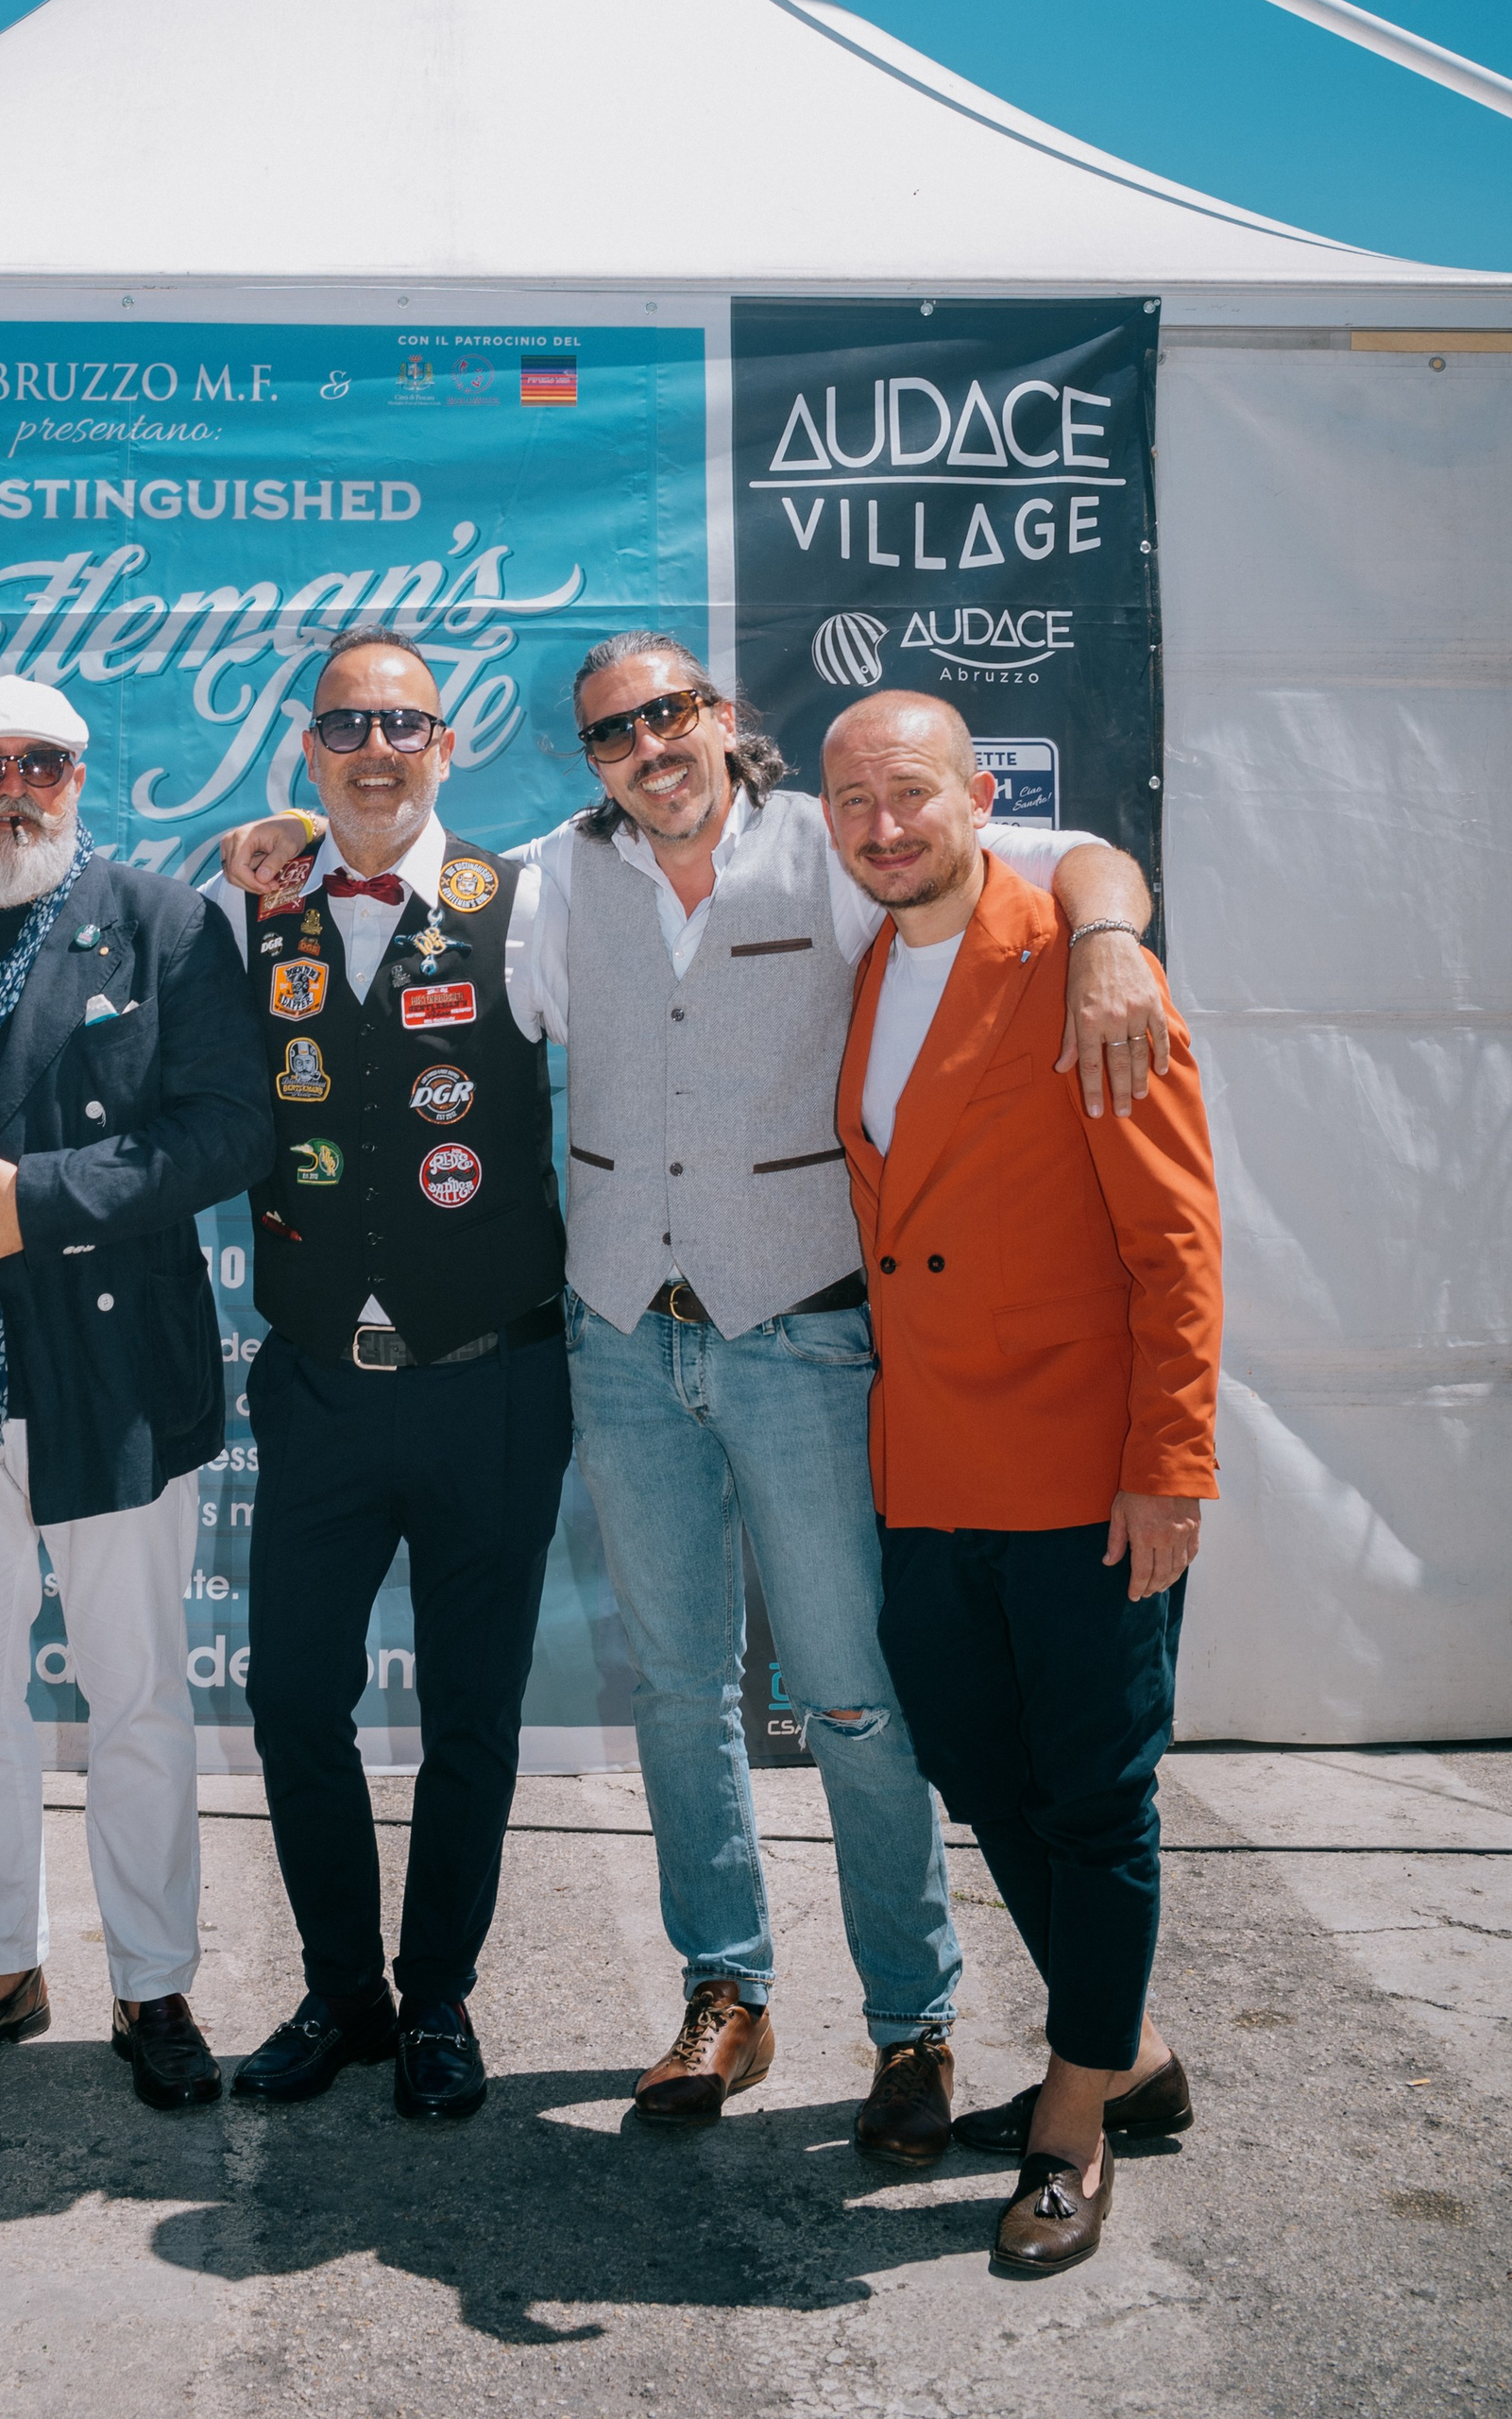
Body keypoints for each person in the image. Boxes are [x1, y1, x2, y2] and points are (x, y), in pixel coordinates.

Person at [217, 628, 1169, 2157]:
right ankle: (726, 1991)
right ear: (583, 760)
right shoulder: (544, 877)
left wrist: (1114, 931)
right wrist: (272, 838)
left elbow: (1063, 858)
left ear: (725, 720)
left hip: (797, 1334)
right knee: (677, 1694)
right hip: (616, 1341)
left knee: (854, 1701)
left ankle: (910, 2022)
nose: (647, 746)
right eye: (611, 732)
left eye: (669, 714)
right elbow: (370, 859)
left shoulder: (844, 844)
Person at [824, 690, 1219, 2278]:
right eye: (852, 800)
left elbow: (1176, 1244)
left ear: (983, 797)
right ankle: (1124, 2048)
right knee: (984, 1773)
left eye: (911, 792)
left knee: (1095, 1800)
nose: (882, 825)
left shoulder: (1082, 963)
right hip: (927, 1469)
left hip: (1079, 1467)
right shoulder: (863, 967)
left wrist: (1171, 1470)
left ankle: (1074, 2121)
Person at [0, 675, 272, 2113]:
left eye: (41, 763)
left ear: (83, 777)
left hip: (110, 1378)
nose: (11, 787)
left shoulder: (165, 922)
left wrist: (37, 1201)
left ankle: (155, 1985)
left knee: (140, 1697)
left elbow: (228, 1130)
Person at [200, 624, 571, 2124]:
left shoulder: (529, 908)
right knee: (294, 1693)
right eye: (346, 723)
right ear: (307, 748)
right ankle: (343, 1993)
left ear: (447, 745)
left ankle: (440, 2004)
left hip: (493, 1380)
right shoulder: (248, 909)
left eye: (402, 725)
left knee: (474, 1713)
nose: (374, 749)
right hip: (319, 1390)